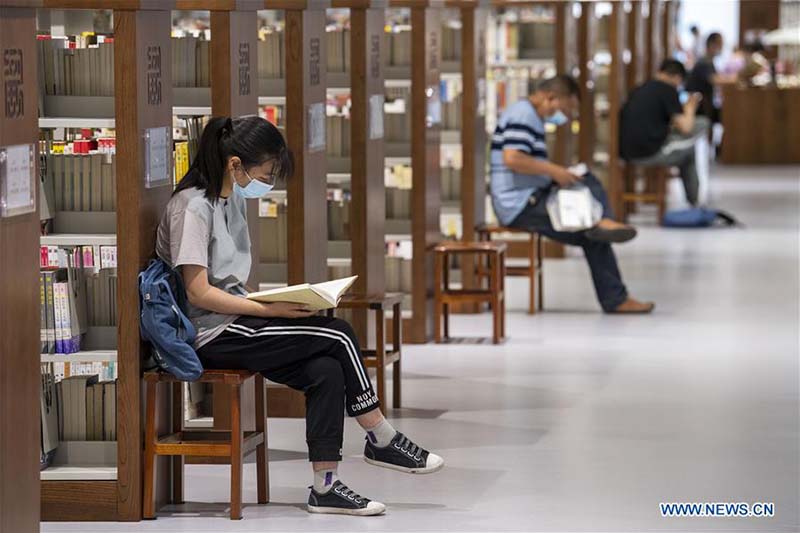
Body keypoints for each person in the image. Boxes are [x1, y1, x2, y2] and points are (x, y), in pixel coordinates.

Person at [156, 115, 444, 517]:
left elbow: (230, 283)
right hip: (210, 333)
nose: (269, 180)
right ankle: (381, 437)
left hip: (239, 319)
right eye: (267, 171)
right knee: (340, 335)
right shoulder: (192, 208)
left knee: (326, 368)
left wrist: (280, 303)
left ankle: (325, 487)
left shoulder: (230, 199)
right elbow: (198, 291)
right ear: (235, 164)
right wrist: (268, 310)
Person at [489, 75, 654, 314]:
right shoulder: (523, 115)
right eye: (566, 109)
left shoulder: (529, 115)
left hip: (532, 196)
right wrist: (555, 171)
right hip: (520, 203)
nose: (565, 116)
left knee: (587, 190)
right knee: (593, 230)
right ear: (551, 98)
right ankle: (614, 292)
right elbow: (513, 158)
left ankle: (614, 288)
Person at [620, 59, 710, 206]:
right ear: (677, 78)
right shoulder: (667, 90)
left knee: (686, 143)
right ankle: (695, 203)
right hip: (649, 152)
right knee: (691, 146)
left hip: (626, 151)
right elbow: (686, 127)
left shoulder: (641, 88)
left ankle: (694, 201)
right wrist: (690, 107)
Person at [686, 32, 732, 124]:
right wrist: (736, 78)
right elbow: (715, 80)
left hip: (707, 104)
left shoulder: (709, 61)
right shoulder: (704, 62)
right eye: (720, 44)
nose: (722, 48)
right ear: (712, 44)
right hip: (700, 106)